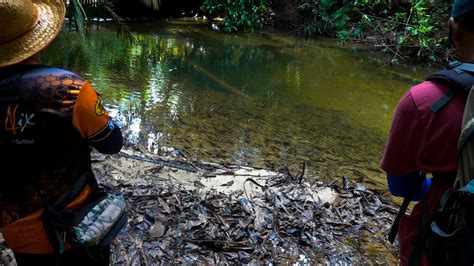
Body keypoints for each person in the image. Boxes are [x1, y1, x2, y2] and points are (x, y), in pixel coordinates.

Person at [0, 0, 123, 265]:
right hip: (75, 229)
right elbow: (112, 142)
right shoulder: (67, 87)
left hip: (17, 233)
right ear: (40, 40)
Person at [381, 1, 474, 265]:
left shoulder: (423, 102)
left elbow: (400, 185)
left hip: (442, 245)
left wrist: (449, 188)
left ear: (454, 29)